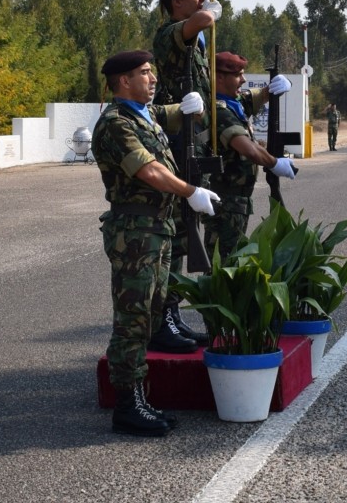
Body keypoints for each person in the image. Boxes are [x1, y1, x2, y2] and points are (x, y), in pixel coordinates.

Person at [93, 50, 219, 437]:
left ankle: (141, 397)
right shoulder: (116, 123)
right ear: (123, 81)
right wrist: (190, 191)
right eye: (144, 74)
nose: (152, 79)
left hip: (156, 229)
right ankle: (127, 407)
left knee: (148, 315)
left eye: (152, 72)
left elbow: (167, 113)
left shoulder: (141, 115)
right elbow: (149, 169)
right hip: (135, 232)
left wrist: (186, 108)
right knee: (131, 321)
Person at [150, 0, 220, 350]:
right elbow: (203, 19)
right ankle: (162, 320)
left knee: (182, 232)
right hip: (175, 139)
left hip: (192, 140)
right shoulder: (170, 34)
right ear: (176, 2)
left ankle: (172, 315)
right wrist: (207, 11)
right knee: (174, 235)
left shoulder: (196, 43)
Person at [206, 52, 297, 260]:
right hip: (225, 201)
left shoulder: (234, 102)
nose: (243, 79)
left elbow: (264, 94)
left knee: (232, 258)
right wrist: (275, 163)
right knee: (223, 263)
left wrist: (284, 83)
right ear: (219, 77)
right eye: (238, 75)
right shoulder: (218, 111)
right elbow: (248, 149)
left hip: (237, 200)